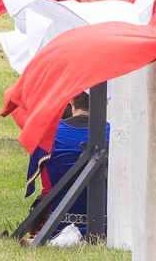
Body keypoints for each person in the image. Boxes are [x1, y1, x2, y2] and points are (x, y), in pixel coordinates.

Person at [24, 91, 109, 239]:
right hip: (107, 227)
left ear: (70, 100)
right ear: (105, 102)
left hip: (55, 227)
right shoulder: (115, 134)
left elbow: (33, 181)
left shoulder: (48, 134)